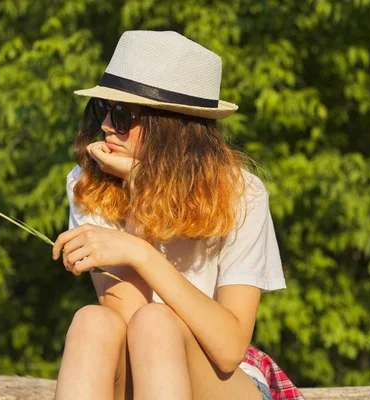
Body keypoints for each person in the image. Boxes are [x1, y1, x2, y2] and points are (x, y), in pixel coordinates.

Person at [51, 30, 303, 400]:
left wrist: (140, 251)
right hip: (142, 374)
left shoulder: (241, 193)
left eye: (121, 116)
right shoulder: (88, 184)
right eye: (101, 109)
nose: (105, 125)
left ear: (172, 130)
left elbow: (228, 349)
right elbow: (127, 319)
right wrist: (138, 197)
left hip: (220, 381)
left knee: (156, 323)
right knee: (92, 323)